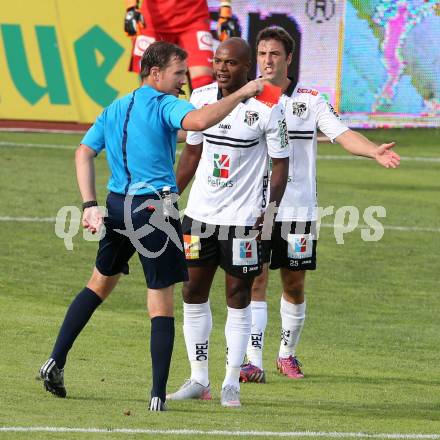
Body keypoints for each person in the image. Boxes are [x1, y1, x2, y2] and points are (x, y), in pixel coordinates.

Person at [39, 41, 265, 411]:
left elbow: (83, 152)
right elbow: (200, 121)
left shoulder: (117, 107)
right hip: (153, 211)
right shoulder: (164, 104)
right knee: (160, 302)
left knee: (98, 284)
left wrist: (89, 205)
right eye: (179, 74)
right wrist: (244, 91)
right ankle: (158, 394)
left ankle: (55, 360)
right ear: (155, 73)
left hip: (116, 206)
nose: (183, 81)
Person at [239, 26, 401, 383]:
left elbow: (342, 135)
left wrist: (372, 150)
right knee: (255, 280)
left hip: (298, 209)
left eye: (275, 54)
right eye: (263, 53)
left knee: (294, 284)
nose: (268, 60)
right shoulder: (245, 98)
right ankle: (252, 361)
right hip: (255, 208)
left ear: (289, 59)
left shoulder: (310, 100)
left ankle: (286, 354)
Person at [166, 37, 290, 408]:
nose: (221, 68)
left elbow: (280, 163)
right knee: (191, 293)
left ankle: (230, 382)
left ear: (247, 67)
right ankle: (198, 379)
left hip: (242, 222)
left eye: (231, 63)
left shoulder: (270, 106)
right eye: (217, 61)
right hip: (199, 218)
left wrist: (269, 212)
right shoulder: (202, 98)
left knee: (238, 298)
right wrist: (170, 196)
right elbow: (192, 152)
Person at [124, 0, 239, 90]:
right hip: (154, 21)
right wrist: (131, 7)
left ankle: (198, 119)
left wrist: (225, 11)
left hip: (194, 17)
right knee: (152, 85)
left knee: (203, 84)